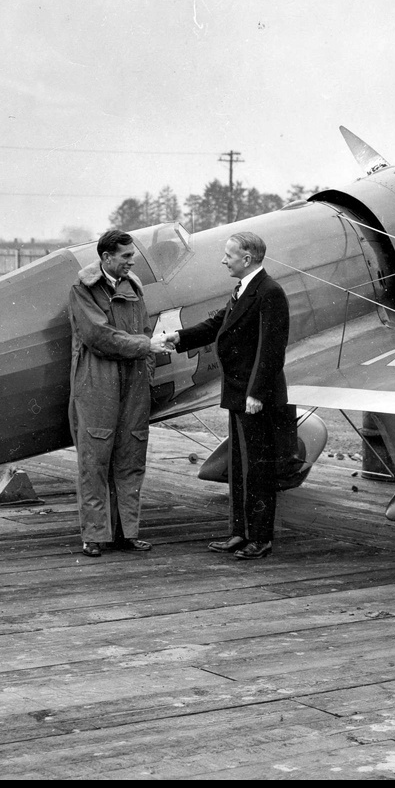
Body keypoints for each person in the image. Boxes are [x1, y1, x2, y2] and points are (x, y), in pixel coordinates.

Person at [164, 231, 291, 560]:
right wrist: (177, 338)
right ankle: (240, 533)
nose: (223, 260)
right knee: (240, 465)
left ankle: (260, 538)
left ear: (246, 259)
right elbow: (214, 325)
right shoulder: (243, 290)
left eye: (228, 255)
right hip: (238, 393)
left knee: (258, 468)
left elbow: (272, 350)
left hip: (253, 397)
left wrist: (257, 394)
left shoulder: (270, 292)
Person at [67, 229, 167, 558]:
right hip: (97, 384)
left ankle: (127, 532)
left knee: (131, 456)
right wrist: (144, 348)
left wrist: (147, 369)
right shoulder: (83, 291)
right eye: (125, 256)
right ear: (106, 258)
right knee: (94, 460)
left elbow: (145, 332)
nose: (132, 260)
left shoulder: (133, 287)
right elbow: (98, 336)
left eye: (132, 255)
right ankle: (95, 535)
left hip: (134, 383)